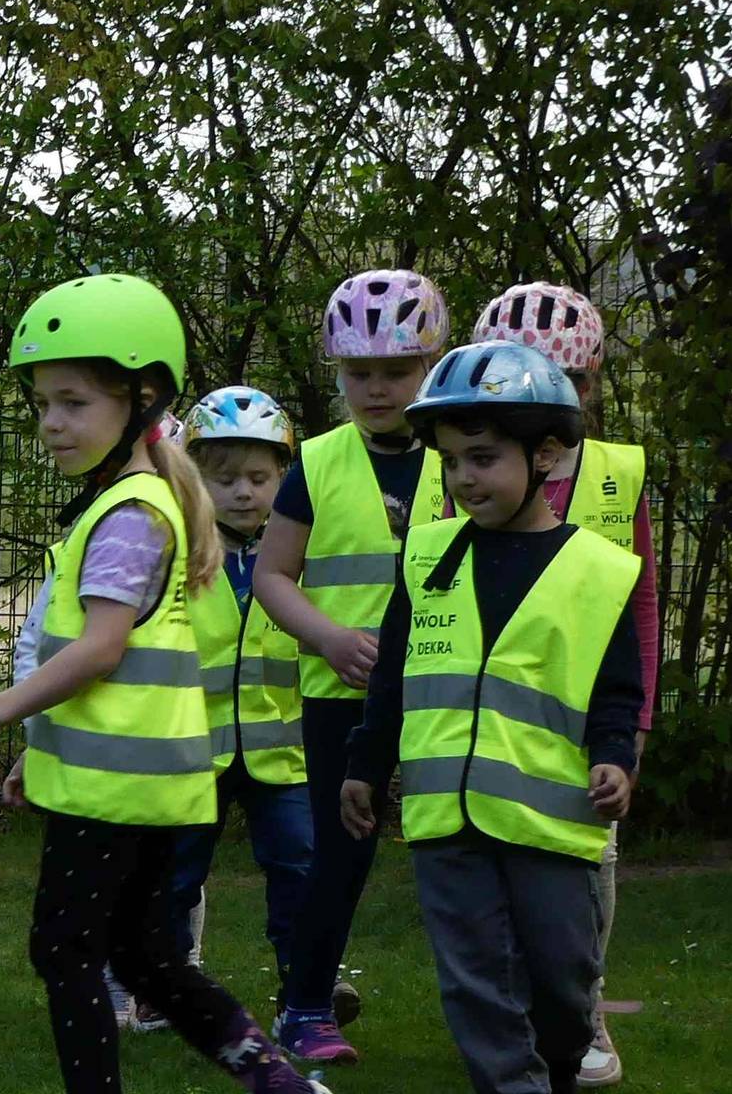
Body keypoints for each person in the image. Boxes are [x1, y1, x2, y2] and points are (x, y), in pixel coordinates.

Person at [0, 274, 324, 1094]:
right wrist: (40, 747)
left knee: (66, 949)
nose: (51, 424)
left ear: (139, 402)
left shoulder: (131, 515)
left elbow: (100, 650)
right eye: (41, 404)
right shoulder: (129, 501)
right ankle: (282, 1082)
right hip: (134, 780)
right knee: (144, 957)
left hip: (118, 786)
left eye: (72, 403)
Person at [339, 340, 642, 1094]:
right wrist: (364, 767)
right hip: (447, 823)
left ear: (542, 454)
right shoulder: (427, 557)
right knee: (476, 981)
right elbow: (393, 680)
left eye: (481, 458)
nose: (463, 478)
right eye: (450, 461)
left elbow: (616, 688)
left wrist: (616, 755)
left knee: (565, 990)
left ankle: (555, 1070)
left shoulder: (598, 571)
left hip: (551, 822)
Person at [251, 268, 450, 1064]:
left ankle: (510, 1006)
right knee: (341, 853)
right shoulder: (319, 462)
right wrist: (328, 637)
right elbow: (272, 576)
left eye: (396, 371)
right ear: (337, 370)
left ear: (432, 363)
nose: (375, 388)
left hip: (446, 690)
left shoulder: (464, 454)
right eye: (358, 373)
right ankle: (304, 1006)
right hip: (342, 693)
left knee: (466, 849)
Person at [469, 282, 659, 1088]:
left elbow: (643, 595)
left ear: (592, 386)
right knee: (495, 870)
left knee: (591, 864)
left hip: (592, 714)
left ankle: (584, 1015)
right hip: (500, 715)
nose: (554, 395)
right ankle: (509, 1018)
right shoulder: (473, 465)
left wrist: (637, 719)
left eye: (574, 380)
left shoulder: (620, 471)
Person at [128, 387, 313, 1033]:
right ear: (193, 475)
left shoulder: (297, 556)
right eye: (224, 477)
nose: (243, 492)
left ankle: (305, 996)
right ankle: (165, 989)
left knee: (299, 868)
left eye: (260, 478)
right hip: (192, 750)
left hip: (279, 752)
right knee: (175, 877)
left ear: (284, 478)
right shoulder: (173, 552)